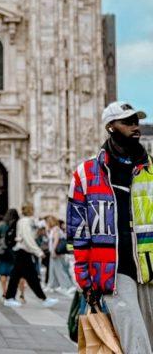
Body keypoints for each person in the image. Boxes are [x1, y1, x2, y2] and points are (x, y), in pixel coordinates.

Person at [67, 101, 152, 353]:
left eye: (136, 121)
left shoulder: (150, 170)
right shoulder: (86, 174)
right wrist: (85, 281)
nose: (135, 127)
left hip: (148, 268)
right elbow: (78, 233)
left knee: (147, 336)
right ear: (111, 127)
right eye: (127, 122)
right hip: (112, 273)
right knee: (134, 339)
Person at [3, 204, 57, 308]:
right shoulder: (25, 222)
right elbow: (28, 238)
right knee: (29, 277)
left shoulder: (26, 221)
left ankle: (11, 298)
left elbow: (30, 236)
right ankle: (43, 299)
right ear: (30, 210)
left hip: (22, 251)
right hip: (23, 251)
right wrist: (38, 252)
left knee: (21, 276)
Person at [0, 208, 20, 299]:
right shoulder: (17, 225)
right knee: (14, 274)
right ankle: (13, 293)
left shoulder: (2, 225)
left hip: (3, 251)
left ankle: (4, 291)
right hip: (14, 251)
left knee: (3, 273)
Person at [45, 216, 74, 294]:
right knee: (52, 269)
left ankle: (67, 286)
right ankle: (52, 285)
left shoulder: (56, 229)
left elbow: (56, 240)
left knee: (59, 269)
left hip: (56, 251)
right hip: (53, 251)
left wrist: (54, 250)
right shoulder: (52, 230)